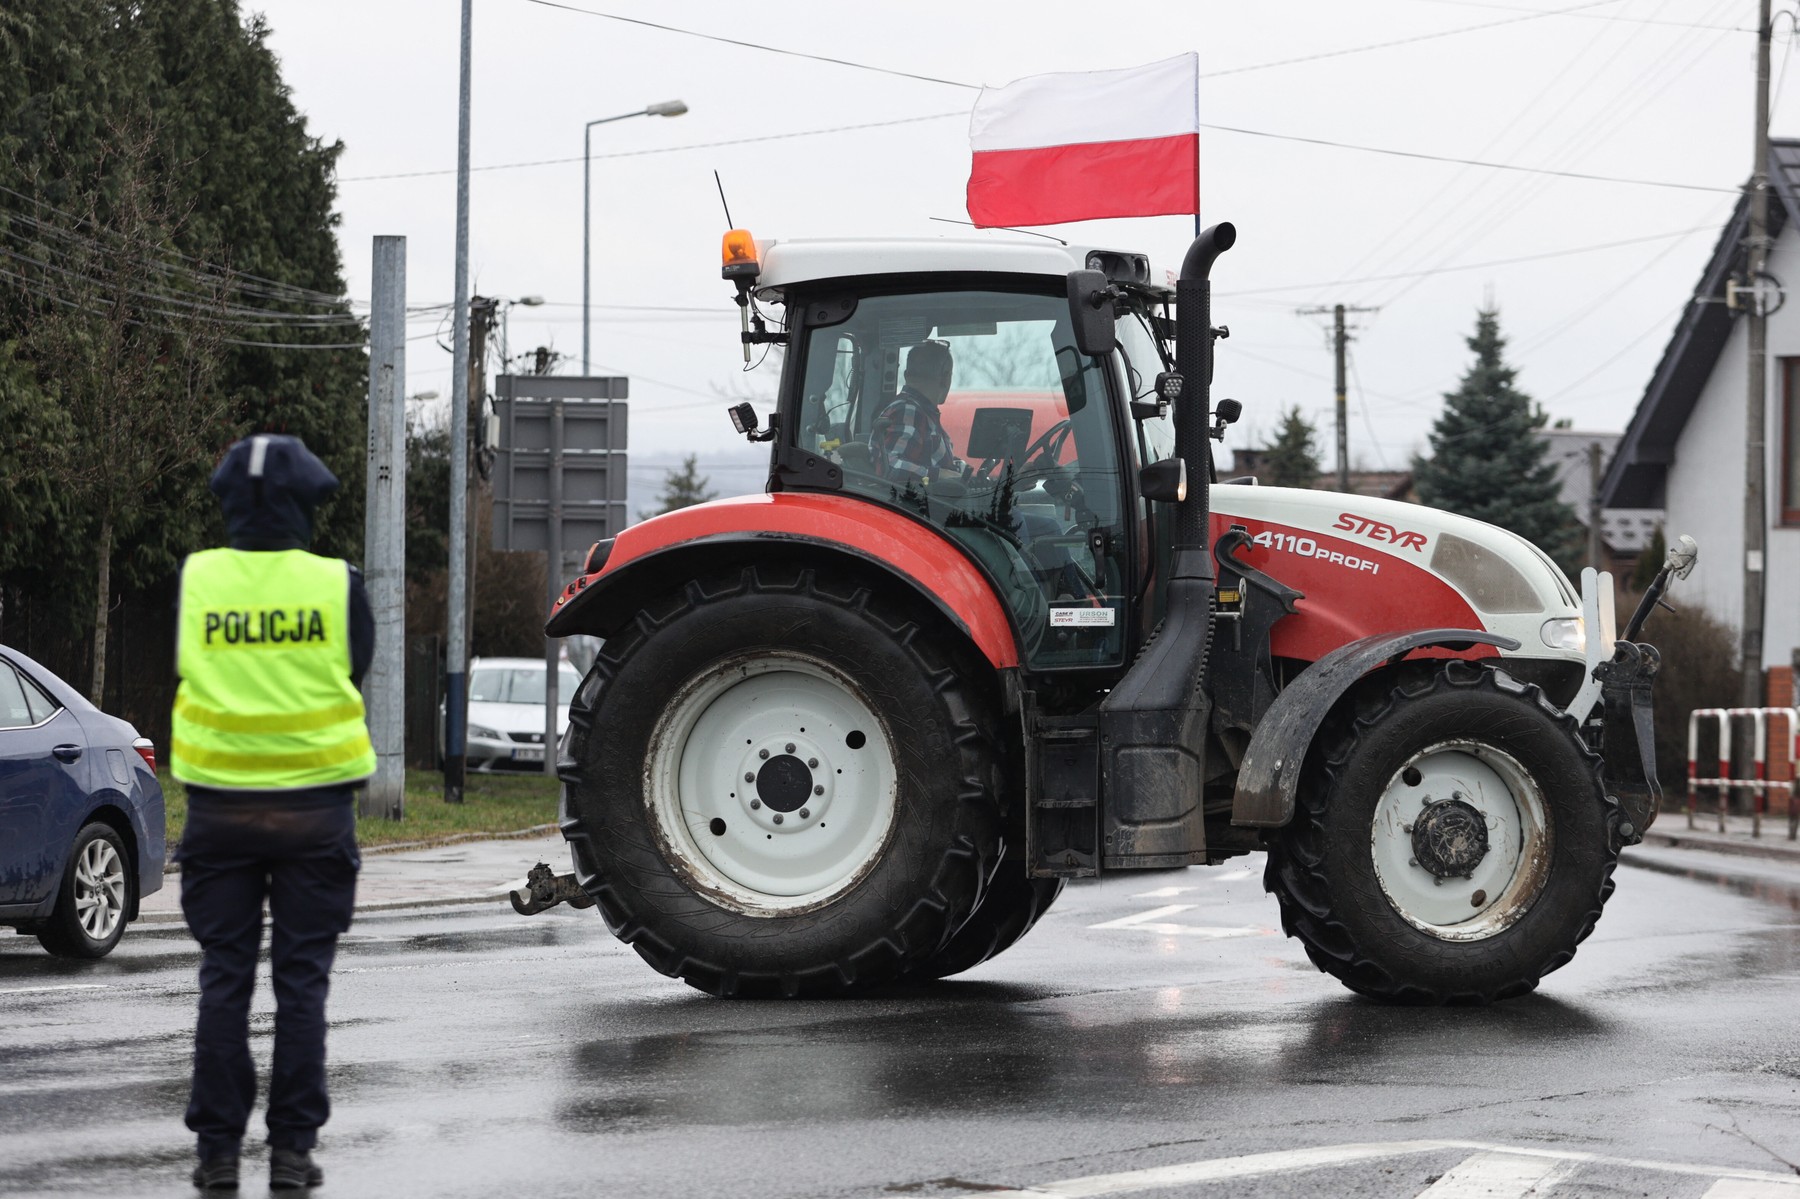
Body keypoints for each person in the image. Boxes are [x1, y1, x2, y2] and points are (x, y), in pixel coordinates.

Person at [171, 434, 374, 1192]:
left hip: (218, 810)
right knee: (302, 985)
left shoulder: (199, 579)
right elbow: (357, 665)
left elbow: (185, 663)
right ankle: (291, 1153)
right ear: (305, 506)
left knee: (224, 979)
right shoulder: (335, 582)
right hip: (315, 813)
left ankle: (216, 1157)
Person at [871, 339, 963, 486]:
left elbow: (929, 459)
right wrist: (938, 475)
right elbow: (890, 466)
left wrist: (959, 469)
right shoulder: (909, 411)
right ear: (945, 378)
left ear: (906, 375)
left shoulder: (921, 413)